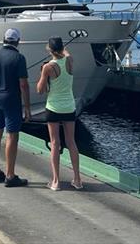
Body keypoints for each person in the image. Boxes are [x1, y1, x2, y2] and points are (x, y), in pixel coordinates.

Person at [0, 28, 31, 187]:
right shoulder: (19, 58)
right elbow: (23, 84)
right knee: (12, 136)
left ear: (3, 39)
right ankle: (10, 175)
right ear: (17, 42)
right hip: (11, 101)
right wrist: (27, 107)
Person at [36, 36, 83, 191]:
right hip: (69, 107)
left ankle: (56, 181)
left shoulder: (48, 67)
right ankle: (77, 179)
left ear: (49, 49)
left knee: (55, 143)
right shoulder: (70, 61)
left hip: (53, 108)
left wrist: (42, 74)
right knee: (71, 142)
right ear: (62, 48)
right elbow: (67, 54)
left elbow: (40, 90)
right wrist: (63, 49)